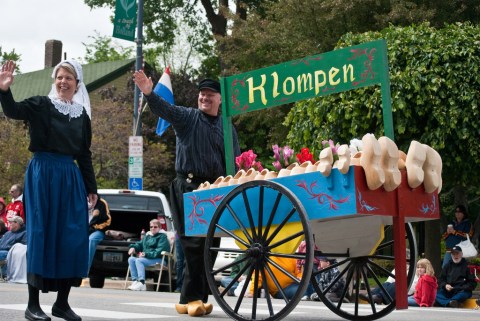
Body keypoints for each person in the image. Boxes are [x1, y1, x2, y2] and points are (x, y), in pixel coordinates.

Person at [133, 70, 241, 317]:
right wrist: (149, 93)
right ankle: (192, 297)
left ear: (220, 99)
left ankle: (192, 299)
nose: (205, 98)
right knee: (194, 244)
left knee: (210, 244)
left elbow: (235, 161)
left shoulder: (227, 127)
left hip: (216, 190)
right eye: (202, 94)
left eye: (210, 95)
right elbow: (166, 110)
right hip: (189, 188)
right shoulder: (188, 117)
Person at [0, 59, 97, 321]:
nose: (63, 82)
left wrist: (91, 188)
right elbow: (13, 111)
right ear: (54, 81)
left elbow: (84, 154)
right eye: (60, 77)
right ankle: (33, 305)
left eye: (69, 78)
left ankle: (61, 304)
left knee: (72, 235)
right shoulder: (41, 104)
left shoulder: (82, 116)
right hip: (43, 172)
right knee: (41, 234)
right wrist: (4, 90)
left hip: (70, 175)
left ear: (77, 85)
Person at [127, 219, 170, 291]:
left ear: (159, 228)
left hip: (159, 259)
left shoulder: (162, 237)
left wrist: (146, 254)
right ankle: (135, 281)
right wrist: (133, 248)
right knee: (131, 259)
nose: (153, 228)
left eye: (155, 227)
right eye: (151, 227)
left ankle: (142, 283)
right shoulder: (147, 236)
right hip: (147, 259)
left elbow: (159, 251)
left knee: (139, 260)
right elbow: (140, 244)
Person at [87, 196, 111, 272]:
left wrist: (94, 227)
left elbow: (108, 221)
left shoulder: (101, 202)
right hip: (82, 230)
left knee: (92, 239)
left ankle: (85, 269)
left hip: (97, 230)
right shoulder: (80, 200)